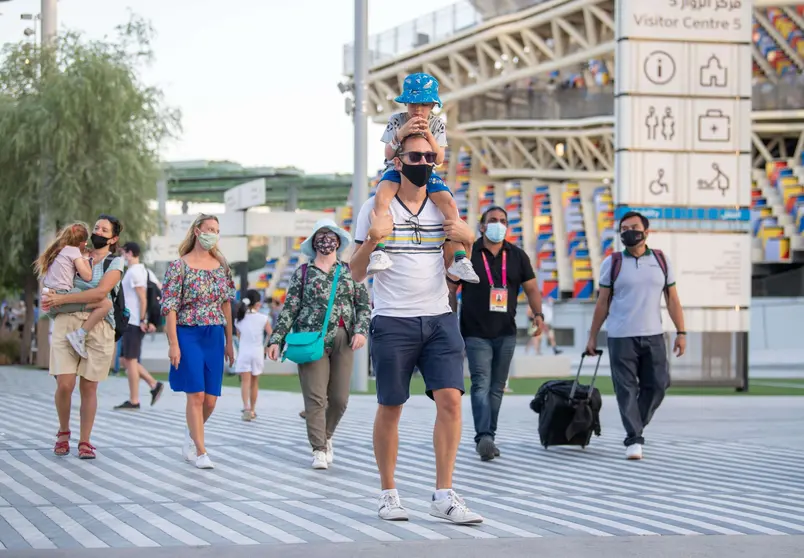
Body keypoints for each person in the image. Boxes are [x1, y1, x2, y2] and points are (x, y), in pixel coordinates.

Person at [351, 133, 483, 524]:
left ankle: (444, 493)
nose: (424, 161)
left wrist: (468, 246)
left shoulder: (443, 208)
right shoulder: (375, 208)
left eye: (430, 155)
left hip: (440, 316)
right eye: (416, 156)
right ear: (398, 160)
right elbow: (357, 273)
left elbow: (453, 271)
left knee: (452, 399)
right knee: (391, 405)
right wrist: (373, 239)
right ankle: (389, 493)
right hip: (393, 318)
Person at [268, 219, 371, 470]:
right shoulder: (303, 273)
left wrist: (360, 331)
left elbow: (363, 305)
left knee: (339, 399)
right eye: (321, 237)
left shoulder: (349, 270)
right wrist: (275, 339)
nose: (326, 241)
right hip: (310, 340)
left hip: (343, 337)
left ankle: (326, 434)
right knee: (315, 398)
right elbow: (290, 308)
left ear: (338, 241)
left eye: (331, 236)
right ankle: (319, 449)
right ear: (313, 243)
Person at [586, 211, 687, 461]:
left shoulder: (662, 260)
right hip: (621, 336)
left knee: (659, 385)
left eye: (633, 227)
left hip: (654, 335)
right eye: (623, 228)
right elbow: (602, 303)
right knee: (626, 389)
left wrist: (681, 332)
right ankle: (634, 438)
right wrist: (592, 337)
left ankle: (636, 426)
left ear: (646, 232)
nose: (628, 231)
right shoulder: (613, 262)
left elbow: (672, 299)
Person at [448, 205, 545, 462]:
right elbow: (451, 287)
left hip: (506, 332)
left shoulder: (517, 255)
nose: (498, 224)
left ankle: (488, 434)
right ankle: (483, 437)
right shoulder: (469, 252)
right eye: (493, 220)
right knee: (481, 382)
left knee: (497, 387)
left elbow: (532, 289)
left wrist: (538, 314)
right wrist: (449, 320)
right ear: (482, 226)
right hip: (474, 330)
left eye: (502, 220)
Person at [366, 72, 479, 285]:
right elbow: (388, 154)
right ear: (406, 103)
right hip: (397, 168)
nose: (418, 109)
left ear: (432, 105)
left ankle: (460, 258)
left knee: (448, 202)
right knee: (381, 197)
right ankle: (379, 251)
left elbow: (439, 158)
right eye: (413, 104)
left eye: (424, 104)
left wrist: (427, 135)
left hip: (426, 169)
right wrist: (402, 134)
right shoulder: (396, 120)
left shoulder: (437, 124)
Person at [40, 215, 125, 460]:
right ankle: (63, 432)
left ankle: (84, 441)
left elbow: (100, 293)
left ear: (114, 238)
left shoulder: (115, 262)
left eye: (104, 229)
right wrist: (53, 296)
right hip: (66, 322)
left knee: (89, 386)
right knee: (65, 384)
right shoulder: (74, 252)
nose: (97, 231)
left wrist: (61, 299)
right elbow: (54, 281)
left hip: (98, 326)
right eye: (96, 227)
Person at [161, 214, 236, 470]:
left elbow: (226, 304)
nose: (212, 234)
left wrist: (229, 341)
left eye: (216, 230)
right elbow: (169, 306)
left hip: (214, 334)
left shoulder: (222, 265)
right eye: (208, 229)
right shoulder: (178, 266)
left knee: (211, 399)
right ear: (196, 231)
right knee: (196, 394)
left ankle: (192, 433)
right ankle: (201, 451)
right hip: (187, 332)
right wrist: (173, 342)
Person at [35, 222, 113, 359]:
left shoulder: (59, 250)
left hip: (50, 297)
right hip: (60, 297)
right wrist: (87, 259)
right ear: (81, 242)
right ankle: (80, 335)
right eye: (85, 242)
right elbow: (88, 276)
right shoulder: (73, 251)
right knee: (105, 304)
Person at [114, 242, 164, 410]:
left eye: (123, 253)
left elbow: (143, 298)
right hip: (132, 321)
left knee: (130, 360)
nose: (122, 257)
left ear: (129, 253)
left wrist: (143, 320)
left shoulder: (135, 272)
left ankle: (134, 400)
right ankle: (153, 384)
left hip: (134, 322)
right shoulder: (143, 271)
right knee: (125, 360)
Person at [233, 289, 272, 421]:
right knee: (255, 382)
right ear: (257, 303)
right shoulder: (263, 318)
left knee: (245, 382)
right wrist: (266, 347)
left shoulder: (239, 319)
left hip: (244, 352)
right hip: (257, 352)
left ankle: (246, 408)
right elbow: (271, 334)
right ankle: (253, 410)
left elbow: (239, 336)